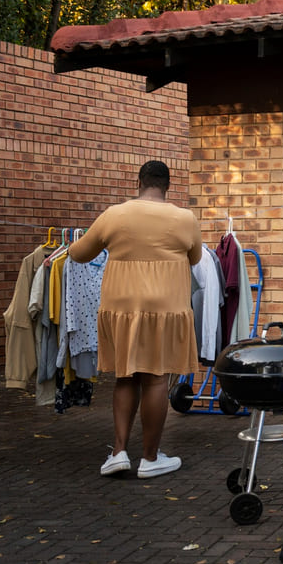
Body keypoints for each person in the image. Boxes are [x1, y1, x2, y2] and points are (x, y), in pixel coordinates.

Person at [68, 160, 203, 478]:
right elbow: (195, 257)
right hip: (164, 307)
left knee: (126, 377)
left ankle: (118, 453)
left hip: (122, 306)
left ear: (139, 182)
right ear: (167, 185)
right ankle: (150, 458)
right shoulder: (184, 218)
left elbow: (79, 253)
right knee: (156, 378)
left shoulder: (114, 214)